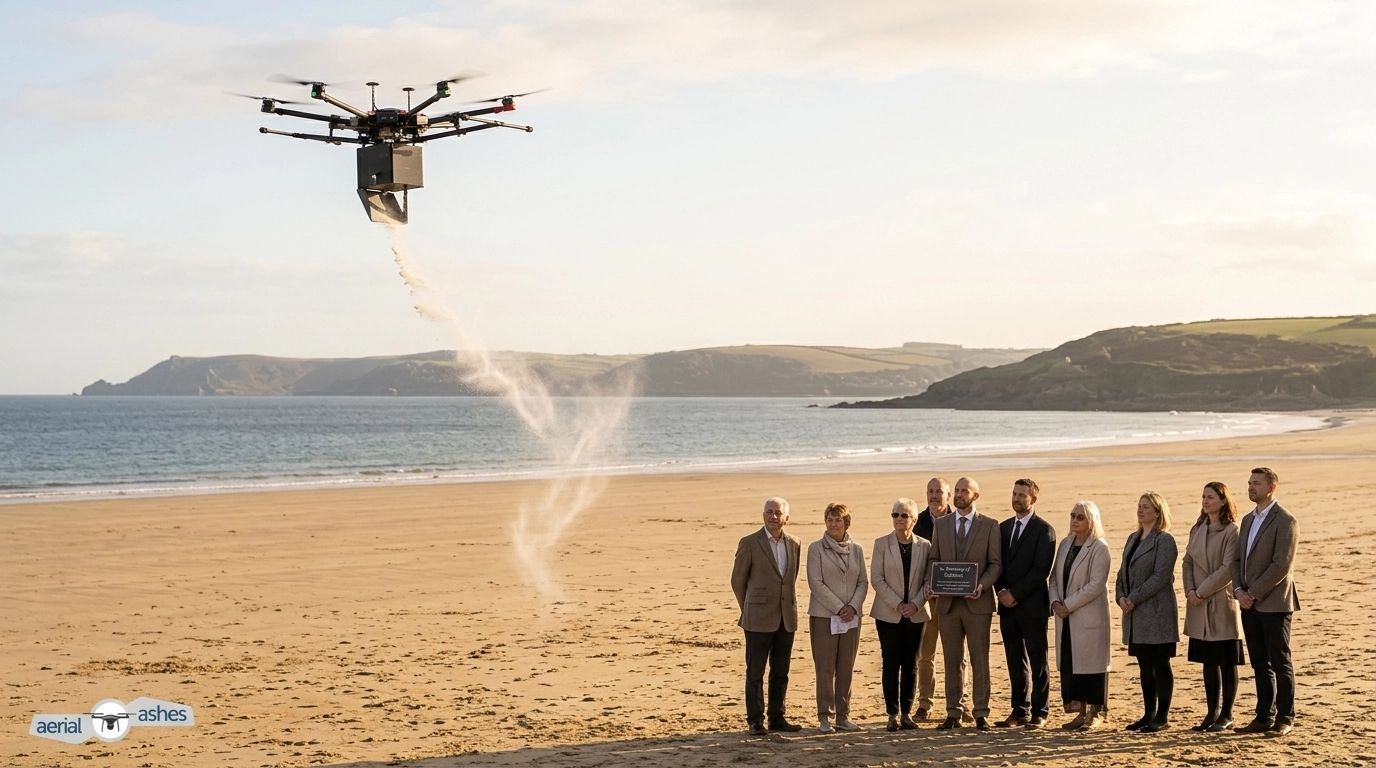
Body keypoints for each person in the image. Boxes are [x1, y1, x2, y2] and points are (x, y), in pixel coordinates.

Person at [925, 477, 1002, 730]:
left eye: (964, 491)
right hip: (947, 604)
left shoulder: (990, 526)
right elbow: (934, 559)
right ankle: (953, 712)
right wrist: (932, 582)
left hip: (978, 603)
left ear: (975, 496)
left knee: (979, 658)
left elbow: (996, 564)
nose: (959, 494)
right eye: (956, 490)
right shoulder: (942, 525)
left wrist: (982, 585)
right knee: (951, 659)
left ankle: (980, 712)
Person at [1232, 467, 1300, 738]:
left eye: (1256, 483)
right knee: (1260, 662)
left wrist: (1253, 593)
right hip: (1247, 602)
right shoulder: (1247, 520)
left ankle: (1285, 717)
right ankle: (1263, 716)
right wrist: (1238, 589)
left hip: (1274, 603)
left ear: (1271, 488)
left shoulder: (1285, 520)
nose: (1250, 487)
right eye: (1249, 483)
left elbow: (1281, 564)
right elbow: (1236, 560)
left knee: (1279, 660)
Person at [731, 497, 803, 735]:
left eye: (778, 513)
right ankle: (755, 721)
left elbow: (790, 580)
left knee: (781, 672)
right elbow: (738, 581)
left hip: (786, 618)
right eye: (769, 512)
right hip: (757, 618)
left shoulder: (794, 543)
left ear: (786, 518)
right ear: (763, 515)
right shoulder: (750, 543)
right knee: (755, 673)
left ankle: (777, 718)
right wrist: (750, 607)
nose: (773, 516)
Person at [1115, 491, 1180, 733]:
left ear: (1158, 512)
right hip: (1134, 613)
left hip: (1157, 612)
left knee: (1160, 664)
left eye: (1146, 507)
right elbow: (1122, 572)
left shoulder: (1164, 540)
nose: (1141, 510)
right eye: (1139, 506)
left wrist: (1132, 598)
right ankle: (1148, 714)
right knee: (1144, 665)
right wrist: (1120, 596)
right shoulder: (1133, 538)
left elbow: (1161, 577)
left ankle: (1162, 716)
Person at [994, 479, 1057, 729]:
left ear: (1033, 499)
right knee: (1014, 660)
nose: (1016, 498)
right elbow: (995, 563)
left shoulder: (1045, 530)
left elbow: (1041, 569)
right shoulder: (1003, 528)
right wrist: (1000, 591)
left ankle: (1040, 712)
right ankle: (1019, 711)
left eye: (1022, 495)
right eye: (1014, 494)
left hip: (1032, 606)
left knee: (1038, 660)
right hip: (1006, 607)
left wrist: (1015, 594)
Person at [1182, 481, 1244, 733]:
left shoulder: (1231, 530)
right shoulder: (1198, 528)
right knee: (1208, 661)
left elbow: (1228, 568)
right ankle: (1211, 713)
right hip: (1196, 602)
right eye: (1203, 496)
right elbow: (1187, 561)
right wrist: (1189, 591)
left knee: (1226, 661)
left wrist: (1202, 590)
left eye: (1210, 497)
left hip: (1220, 602)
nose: (1205, 501)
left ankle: (1227, 714)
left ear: (1222, 500)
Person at [870, 498, 932, 731]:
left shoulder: (925, 546)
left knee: (911, 665)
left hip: (916, 614)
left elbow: (929, 579)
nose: (898, 519)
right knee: (890, 663)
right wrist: (898, 604)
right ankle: (892, 714)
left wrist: (915, 604)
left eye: (904, 516)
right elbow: (877, 578)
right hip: (888, 614)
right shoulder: (881, 544)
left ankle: (907, 713)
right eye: (895, 515)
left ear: (914, 520)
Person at [1049, 501, 1112, 730]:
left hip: (1087, 616)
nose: (1075, 520)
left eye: (1080, 517)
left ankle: (1096, 713)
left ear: (1091, 520)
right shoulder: (1066, 544)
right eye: (1073, 515)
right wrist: (1055, 601)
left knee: (1091, 667)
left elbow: (1096, 585)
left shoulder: (1099, 547)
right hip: (1065, 617)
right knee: (1072, 664)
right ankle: (1080, 712)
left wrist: (1068, 604)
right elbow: (1054, 577)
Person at [807, 502, 869, 733]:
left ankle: (843, 716)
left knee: (846, 666)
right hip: (824, 616)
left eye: (838, 520)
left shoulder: (857, 550)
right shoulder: (816, 549)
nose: (833, 524)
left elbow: (863, 581)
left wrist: (852, 607)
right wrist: (839, 607)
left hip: (851, 618)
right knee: (825, 668)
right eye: (830, 520)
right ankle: (825, 717)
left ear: (846, 524)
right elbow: (816, 582)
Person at [914, 478, 970, 722]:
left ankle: (962, 703)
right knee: (925, 655)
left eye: (939, 492)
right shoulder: (916, 522)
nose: (934, 496)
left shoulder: (960, 520)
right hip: (927, 600)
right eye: (930, 491)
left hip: (957, 599)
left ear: (949, 495)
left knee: (958, 655)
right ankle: (925, 703)